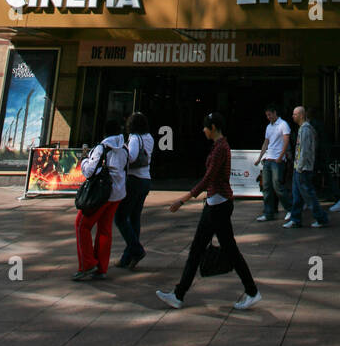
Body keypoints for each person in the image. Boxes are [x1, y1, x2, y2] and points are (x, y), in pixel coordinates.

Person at [157, 112, 261, 311]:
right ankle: (179, 294)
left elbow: (208, 178)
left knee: (215, 250)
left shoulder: (221, 148)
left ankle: (252, 291)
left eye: (205, 127)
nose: (203, 130)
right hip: (216, 203)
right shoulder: (219, 146)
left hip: (218, 205)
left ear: (213, 127)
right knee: (207, 250)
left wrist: (183, 199)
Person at [74, 117, 128, 281]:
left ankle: (87, 264)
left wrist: (83, 161)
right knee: (105, 229)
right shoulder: (124, 148)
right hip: (117, 193)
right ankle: (101, 268)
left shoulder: (102, 148)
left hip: (101, 194)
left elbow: (89, 171)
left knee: (81, 225)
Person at [115, 111, 154, 269]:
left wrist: (121, 151)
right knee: (134, 217)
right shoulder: (149, 138)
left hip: (134, 180)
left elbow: (131, 157)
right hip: (146, 179)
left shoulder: (134, 138)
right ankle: (127, 257)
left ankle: (136, 250)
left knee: (120, 218)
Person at [284, 106, 329, 228]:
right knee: (298, 195)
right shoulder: (303, 129)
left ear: (301, 115)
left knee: (308, 195)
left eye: (295, 114)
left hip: (302, 168)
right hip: (299, 167)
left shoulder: (305, 130)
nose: (293, 116)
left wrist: (300, 166)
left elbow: (305, 150)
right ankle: (295, 219)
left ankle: (321, 218)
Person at [254, 102, 292, 222]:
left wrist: (281, 157)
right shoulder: (268, 127)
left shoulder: (283, 124)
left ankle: (290, 209)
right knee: (266, 187)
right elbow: (266, 143)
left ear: (275, 113)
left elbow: (286, 141)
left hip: (277, 160)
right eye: (267, 115)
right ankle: (268, 213)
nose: (268, 117)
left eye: (270, 115)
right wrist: (260, 158)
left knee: (277, 186)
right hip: (269, 159)